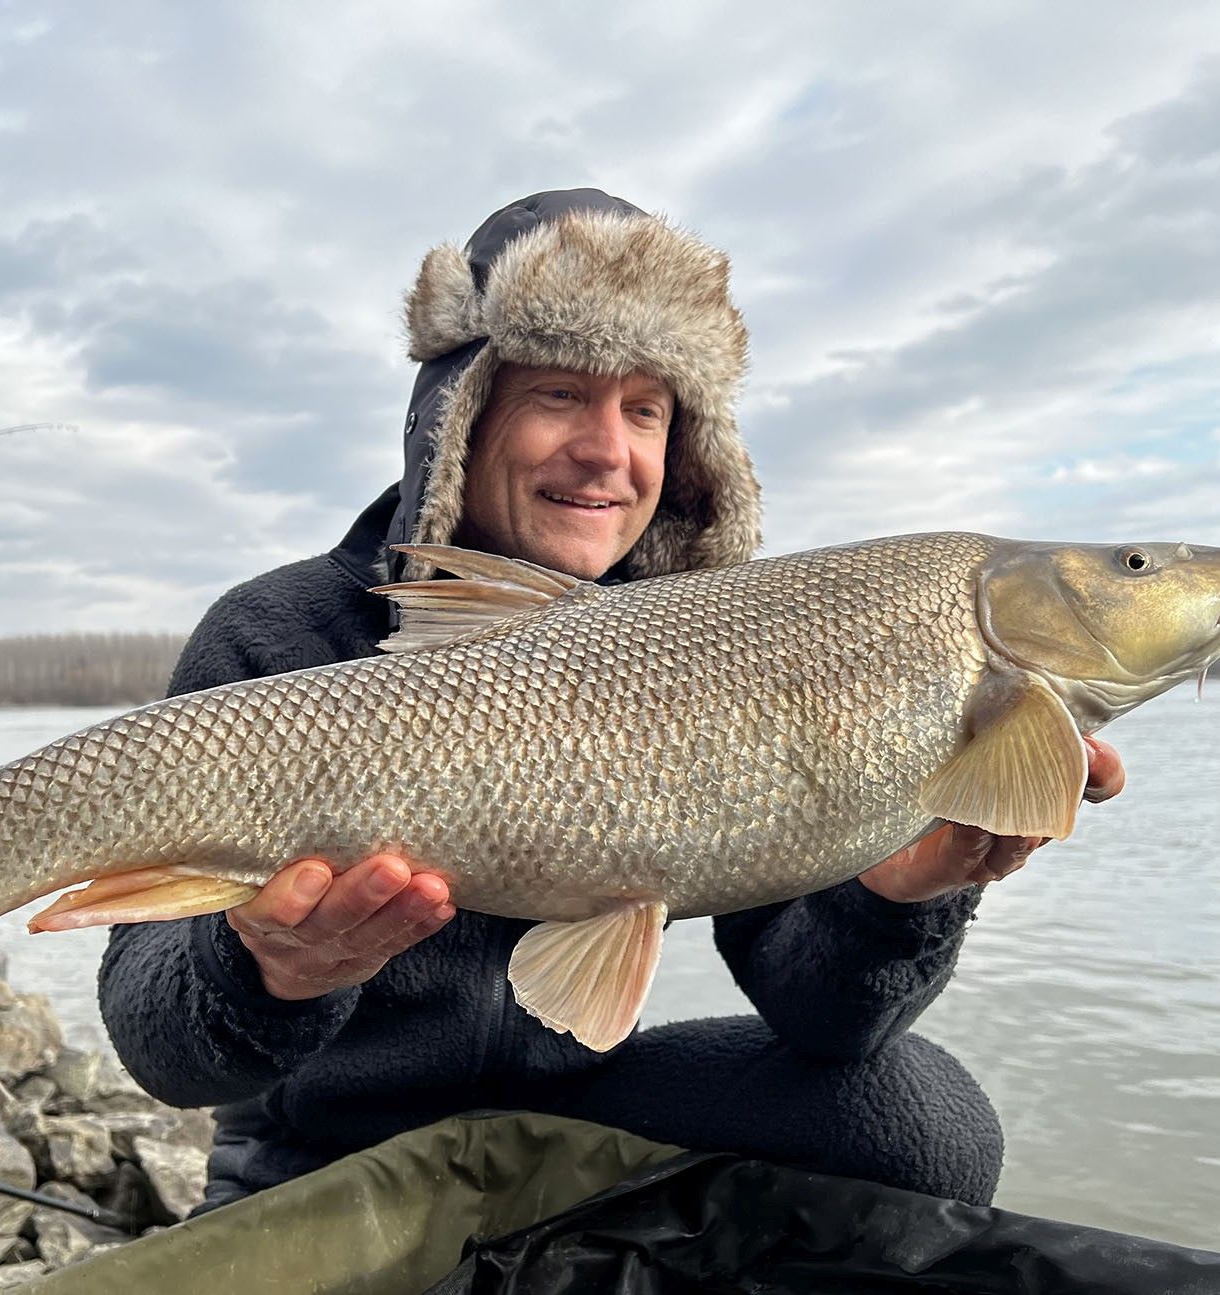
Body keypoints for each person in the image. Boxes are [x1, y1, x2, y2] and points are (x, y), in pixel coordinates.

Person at [98, 189, 1124, 1215]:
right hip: (319, 1161)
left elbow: (828, 1025)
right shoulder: (278, 638)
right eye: (557, 395)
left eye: (645, 410)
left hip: (569, 1115)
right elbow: (166, 1053)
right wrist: (266, 968)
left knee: (924, 1126)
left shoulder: (723, 646)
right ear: (459, 418)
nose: (608, 451)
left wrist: (898, 899)